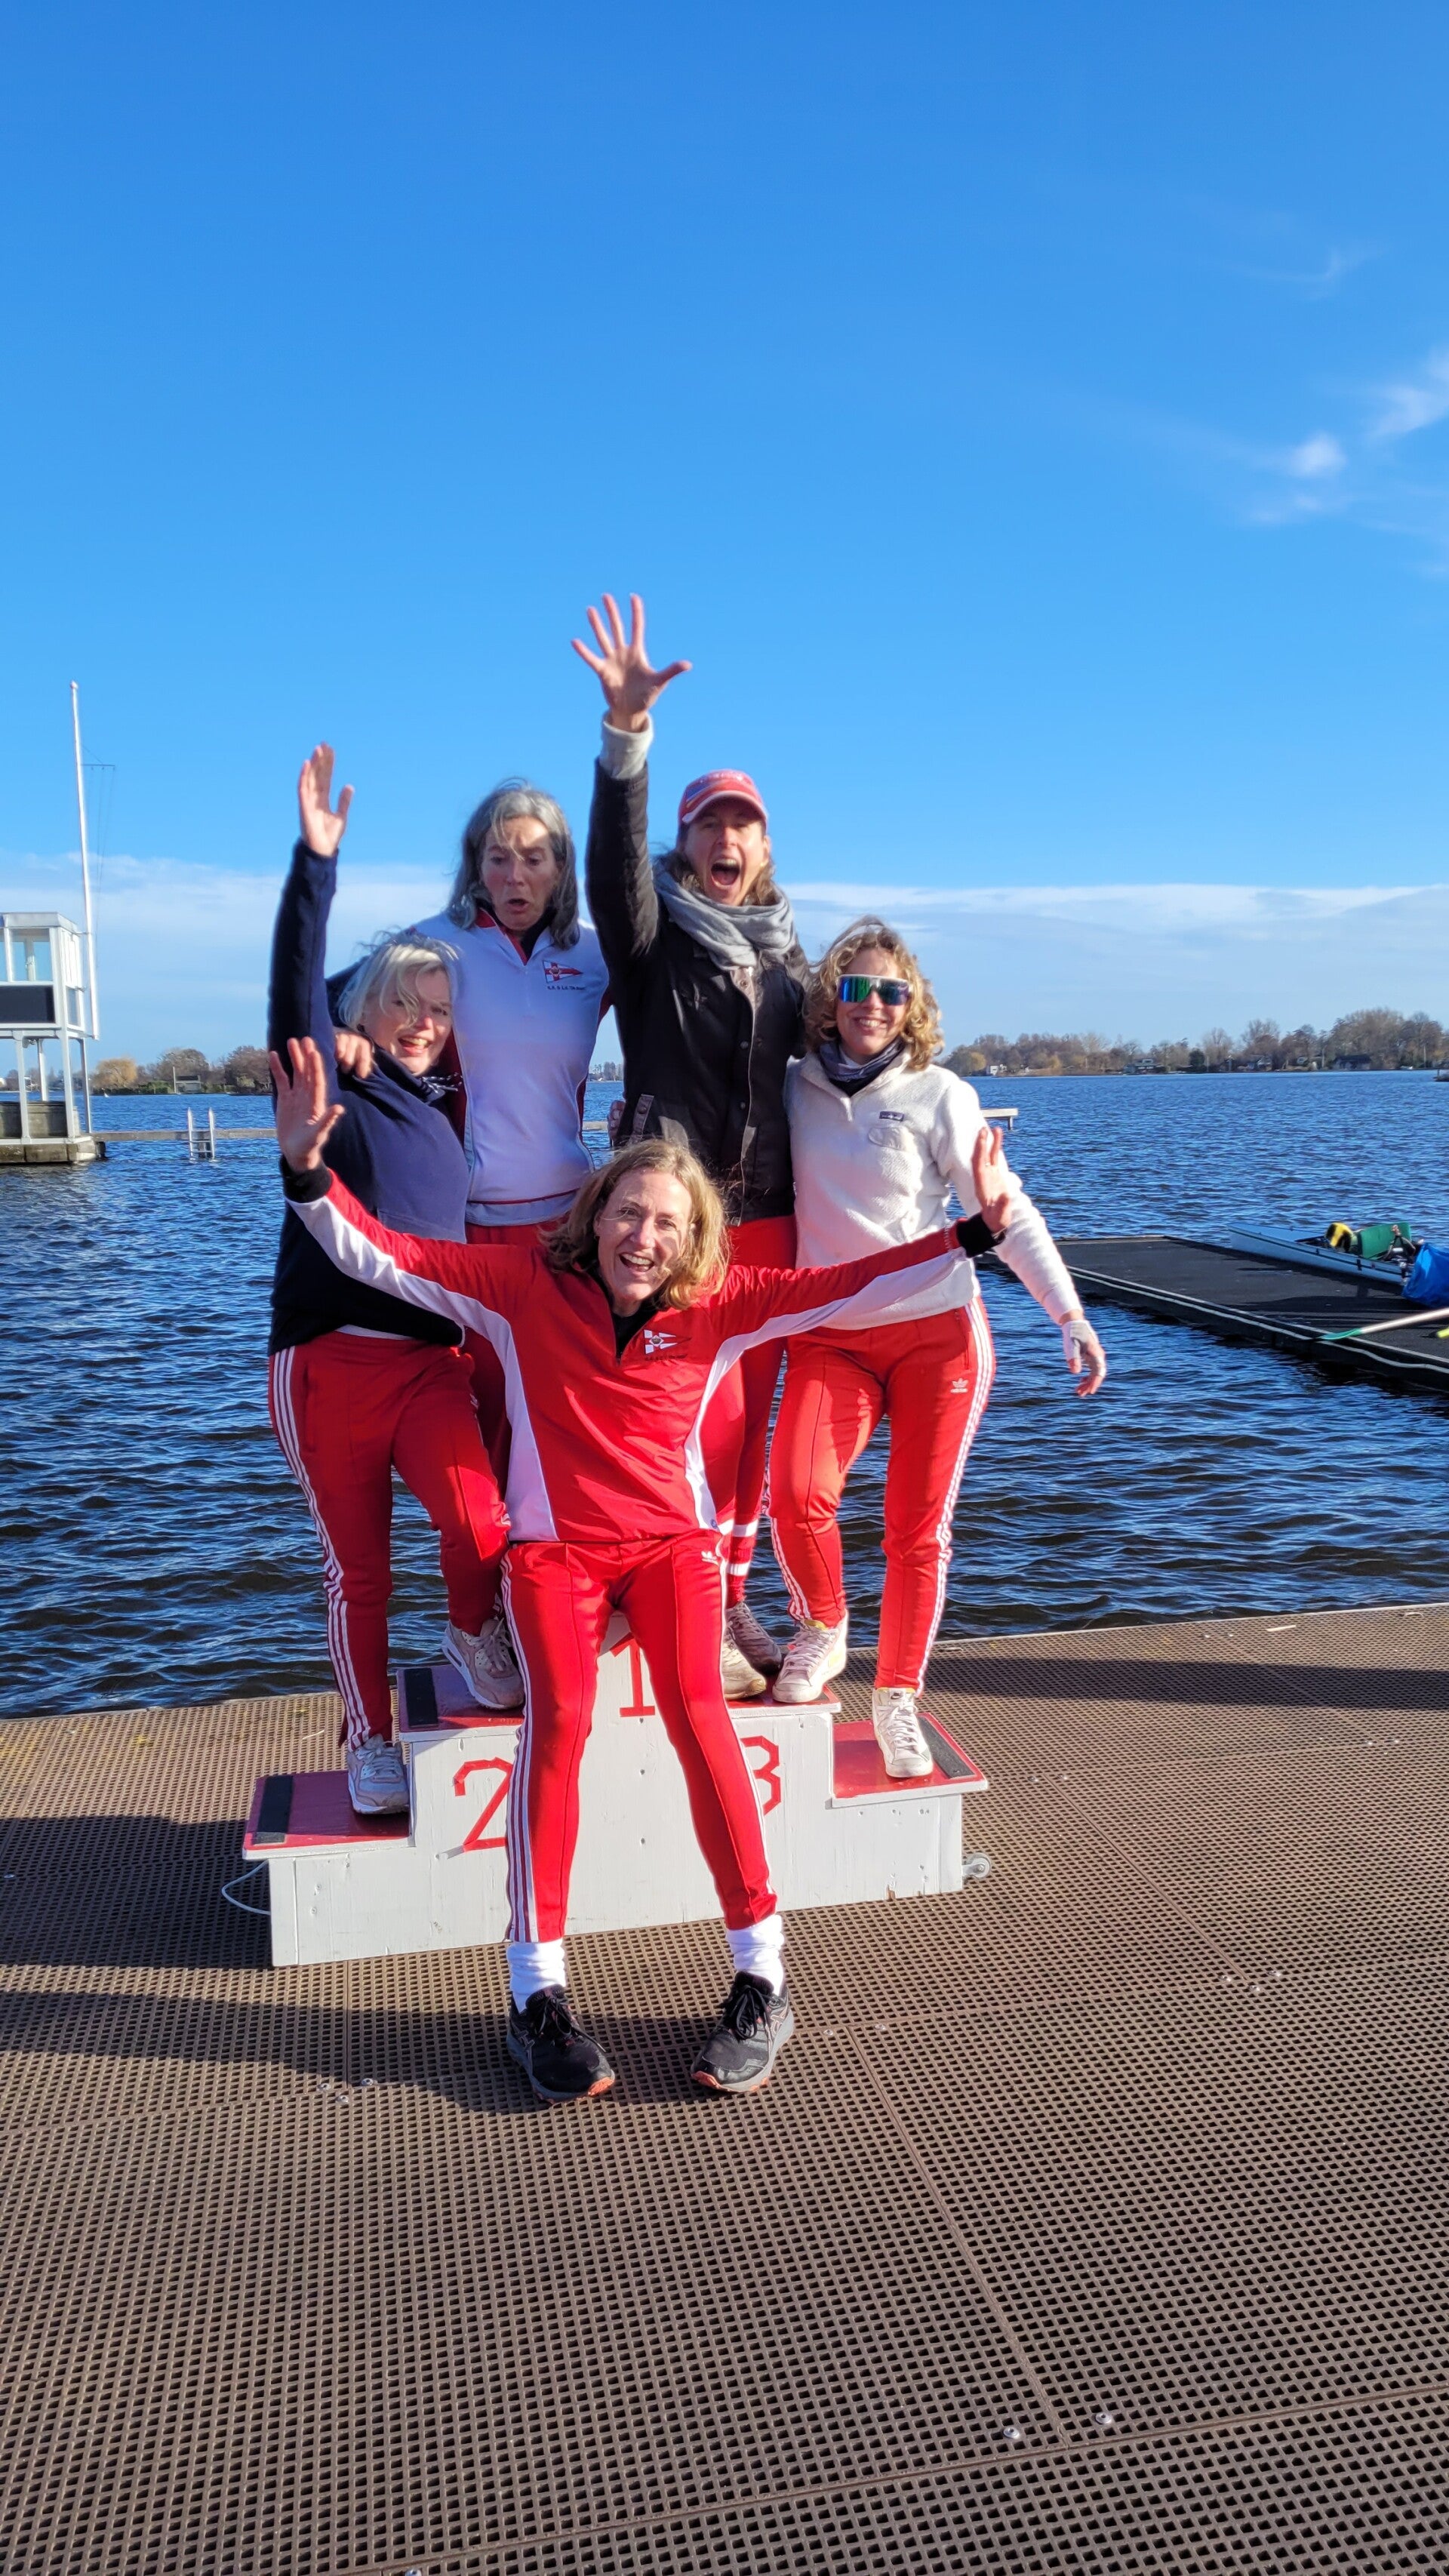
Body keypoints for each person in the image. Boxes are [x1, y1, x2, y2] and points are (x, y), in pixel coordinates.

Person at [269, 1036, 1017, 2101]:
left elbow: (846, 1282)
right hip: (556, 1555)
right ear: (595, 1214)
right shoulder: (523, 1284)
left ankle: (762, 1976)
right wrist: (308, 1169)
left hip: (672, 1549)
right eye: (629, 1212)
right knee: (559, 1724)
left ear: (694, 1236)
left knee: (702, 1719)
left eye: (668, 1222)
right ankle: (537, 1992)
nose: (645, 1237)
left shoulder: (721, 1302)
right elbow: (382, 1254)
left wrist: (971, 1235)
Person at [768, 918, 1107, 1776]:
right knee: (795, 1493)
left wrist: (1068, 1314)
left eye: (893, 991)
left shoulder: (939, 1093)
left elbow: (1004, 1209)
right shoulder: (792, 1086)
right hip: (831, 1334)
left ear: (911, 1003)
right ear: (831, 999)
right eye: (857, 988)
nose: (874, 1005)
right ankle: (824, 1624)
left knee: (915, 1531)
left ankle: (897, 1698)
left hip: (936, 1337)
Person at [267, 746, 521, 1817]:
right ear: (364, 1008)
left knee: (480, 1525)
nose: (423, 1022)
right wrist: (315, 867)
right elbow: (295, 996)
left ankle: (470, 1632)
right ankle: (368, 1738)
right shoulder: (333, 1078)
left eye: (438, 1009)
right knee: (359, 1572)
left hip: (427, 1368)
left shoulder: (442, 1104)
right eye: (403, 1003)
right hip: (327, 1364)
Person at [574, 592, 806, 1699]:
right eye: (710, 823)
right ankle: (683, 1596)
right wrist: (628, 737)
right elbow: (611, 871)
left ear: (764, 846)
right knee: (680, 1419)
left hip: (772, 1216)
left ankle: (734, 1591)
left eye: (743, 824)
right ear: (684, 839)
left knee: (750, 1428)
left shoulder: (791, 957)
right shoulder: (652, 938)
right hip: (677, 1222)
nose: (727, 839)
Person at [411, 782, 610, 1464]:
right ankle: (494, 1538)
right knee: (491, 1416)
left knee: (569, 1415)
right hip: (470, 1224)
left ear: (561, 868)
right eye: (498, 858)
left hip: (570, 1226)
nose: (515, 876)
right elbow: (339, 1014)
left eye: (533, 858)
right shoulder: (431, 944)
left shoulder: (596, 955)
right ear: (475, 865)